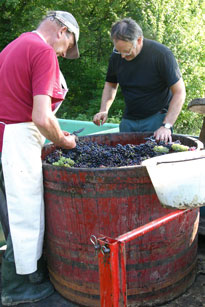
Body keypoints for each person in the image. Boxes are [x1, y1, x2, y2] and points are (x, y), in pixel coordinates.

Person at [0, 10, 80, 306]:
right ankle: (15, 289)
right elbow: (41, 115)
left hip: (4, 138)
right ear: (63, 32)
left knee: (11, 216)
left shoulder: (14, 46)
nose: (63, 52)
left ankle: (25, 276)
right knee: (25, 216)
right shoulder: (43, 51)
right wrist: (63, 140)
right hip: (16, 140)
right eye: (67, 46)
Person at [93, 18, 186, 143]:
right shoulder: (116, 56)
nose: (122, 56)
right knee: (125, 159)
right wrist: (104, 109)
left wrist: (166, 126)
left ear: (139, 40)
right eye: (118, 51)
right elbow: (111, 84)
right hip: (128, 121)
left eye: (127, 51)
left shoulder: (161, 54)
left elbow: (180, 92)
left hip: (157, 120)